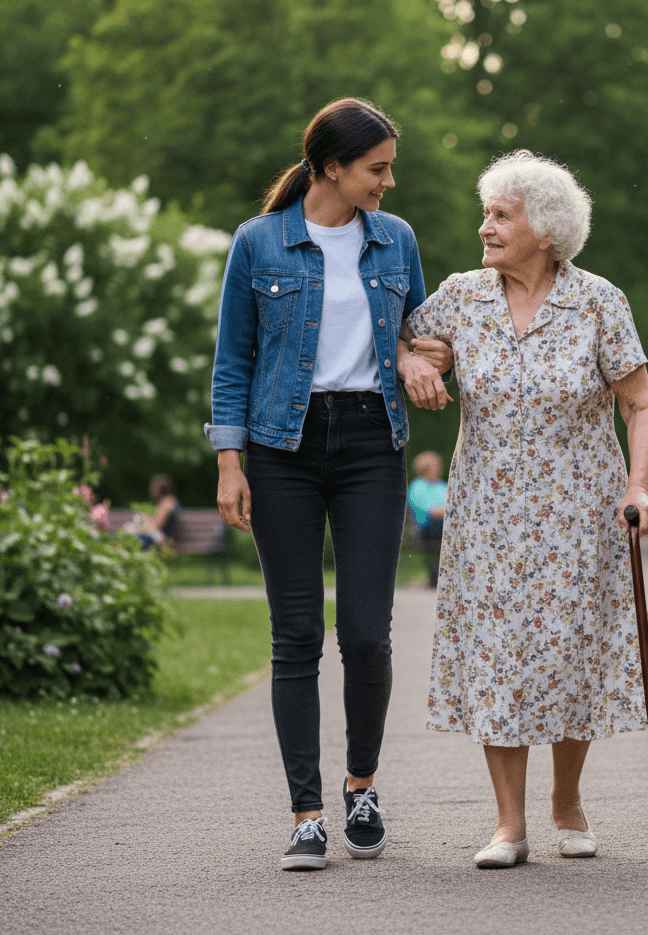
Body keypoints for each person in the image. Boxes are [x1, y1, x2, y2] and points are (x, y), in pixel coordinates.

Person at [204, 97, 452, 872]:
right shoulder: (259, 244)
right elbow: (233, 363)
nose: (386, 182)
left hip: (371, 446)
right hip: (282, 446)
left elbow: (422, 336)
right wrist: (229, 462)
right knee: (297, 635)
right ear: (330, 168)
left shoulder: (396, 239)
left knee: (369, 636)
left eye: (389, 168)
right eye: (376, 169)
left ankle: (362, 786)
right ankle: (307, 813)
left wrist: (418, 359)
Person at [401, 149, 648, 869]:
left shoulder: (599, 302)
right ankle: (508, 824)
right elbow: (402, 339)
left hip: (579, 513)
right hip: (486, 512)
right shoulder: (461, 297)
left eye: (500, 215)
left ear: (545, 232)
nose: (484, 226)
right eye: (485, 212)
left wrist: (637, 484)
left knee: (570, 652)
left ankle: (567, 800)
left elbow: (640, 404)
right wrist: (416, 363)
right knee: (496, 657)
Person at [407, 451, 447, 587]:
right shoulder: (417, 486)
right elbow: (431, 511)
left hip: (444, 524)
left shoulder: (442, 485)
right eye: (435, 465)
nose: (439, 468)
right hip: (427, 529)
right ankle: (437, 576)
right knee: (439, 525)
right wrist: (446, 511)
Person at [130, 474, 182, 550]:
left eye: (152, 488)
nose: (150, 491)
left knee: (133, 539)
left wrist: (144, 521)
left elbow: (157, 525)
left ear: (158, 489)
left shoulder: (167, 503)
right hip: (164, 539)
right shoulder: (171, 501)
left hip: (164, 542)